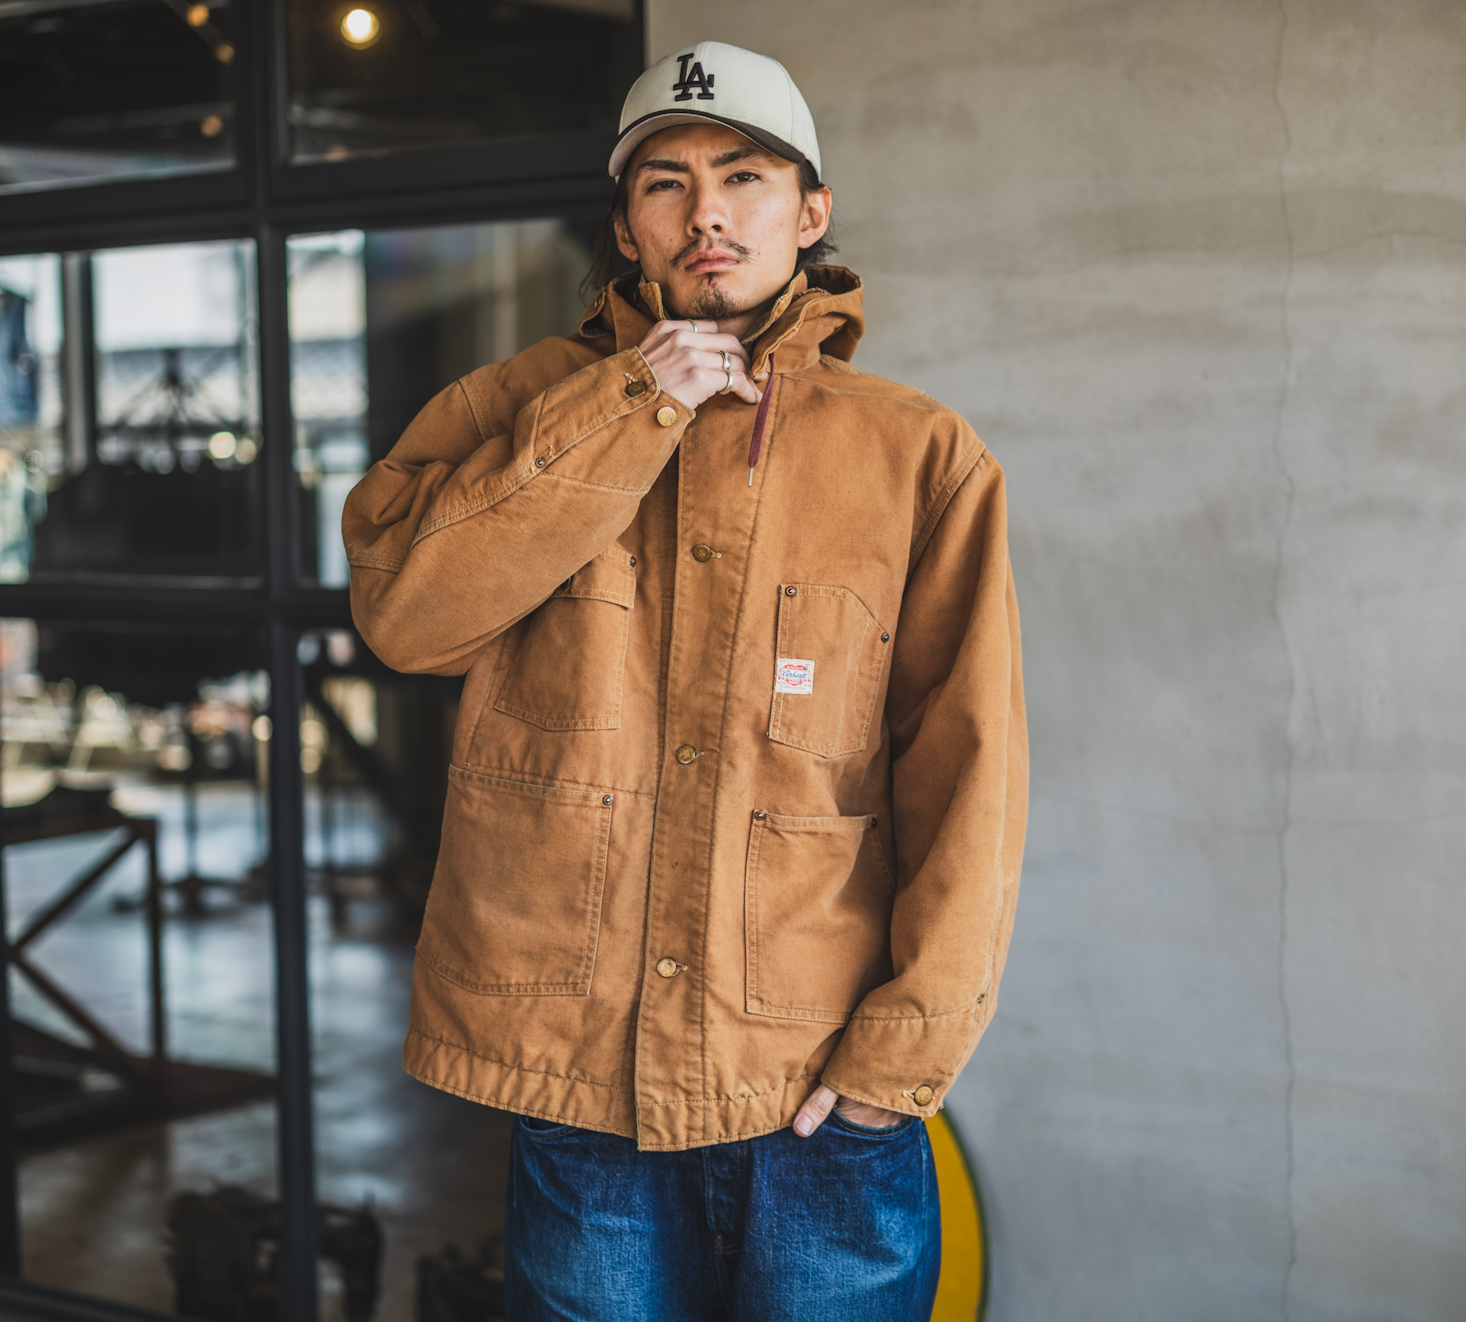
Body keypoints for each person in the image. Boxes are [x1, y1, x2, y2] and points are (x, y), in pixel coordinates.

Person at [342, 40, 1028, 1322]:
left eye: (744, 176)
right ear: (625, 226)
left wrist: (900, 1055)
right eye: (664, 182)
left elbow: (969, 770)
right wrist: (626, 404)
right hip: (580, 1086)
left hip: (817, 1088)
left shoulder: (918, 456)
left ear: (809, 213)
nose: (705, 211)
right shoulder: (507, 407)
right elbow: (406, 618)